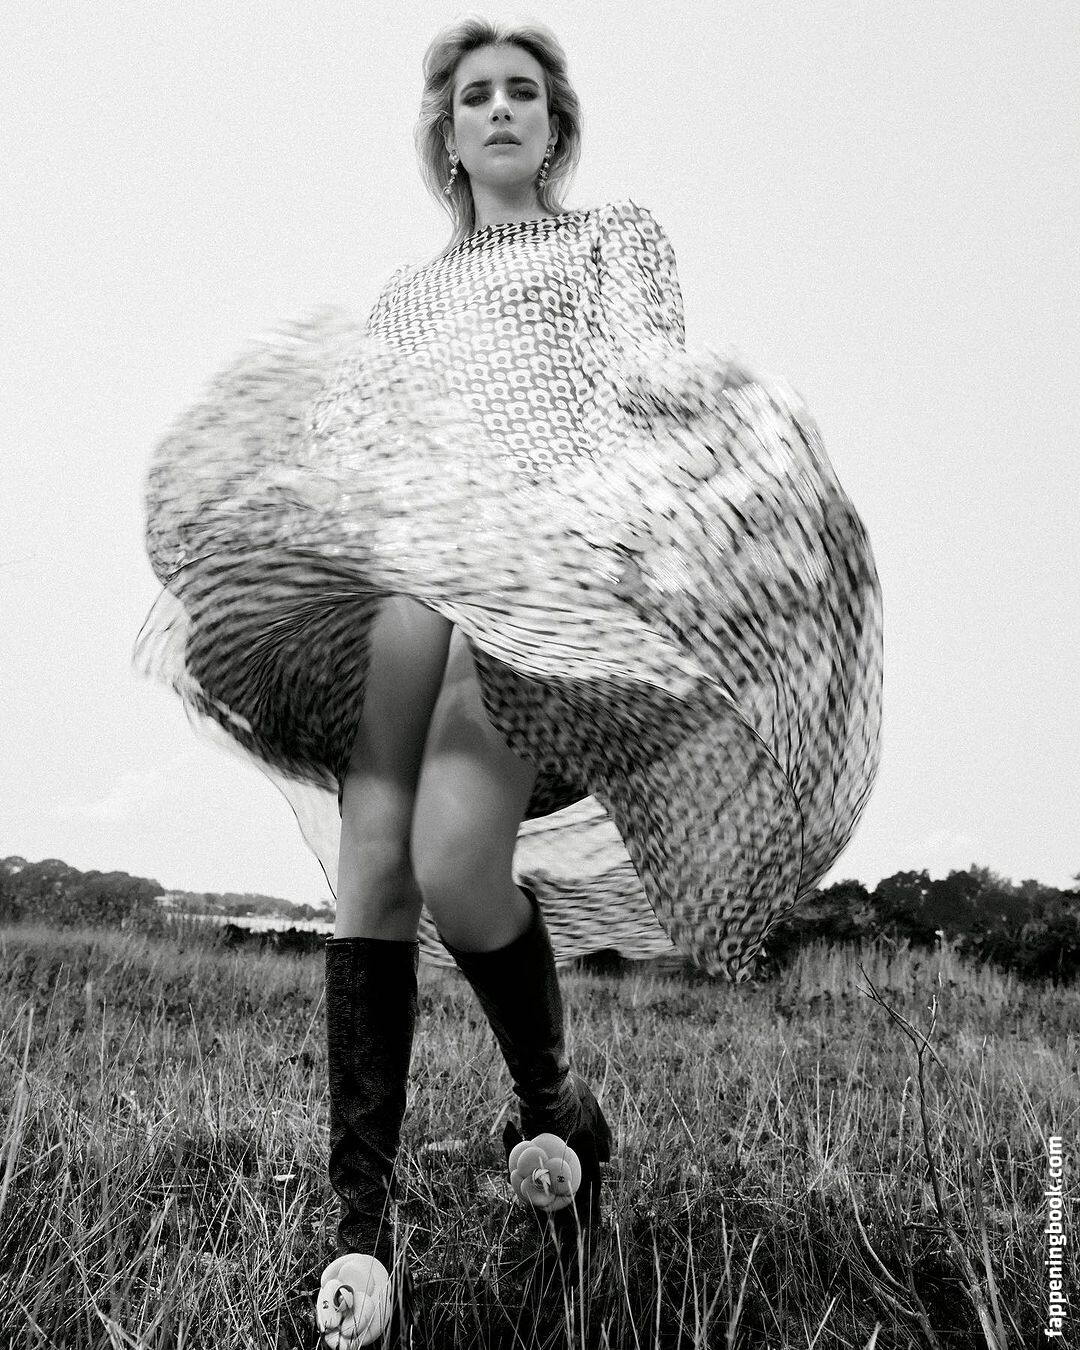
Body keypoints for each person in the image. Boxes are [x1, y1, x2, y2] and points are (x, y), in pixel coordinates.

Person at [136, 15, 883, 1348]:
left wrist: (688, 472)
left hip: (543, 572)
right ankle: (360, 1231)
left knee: (454, 860)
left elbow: (640, 374)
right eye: (474, 93)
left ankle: (556, 1105)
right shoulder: (405, 299)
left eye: (521, 93)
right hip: (415, 570)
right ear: (447, 132)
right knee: (374, 856)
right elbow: (366, 436)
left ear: (554, 126)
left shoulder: (614, 240)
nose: (497, 109)